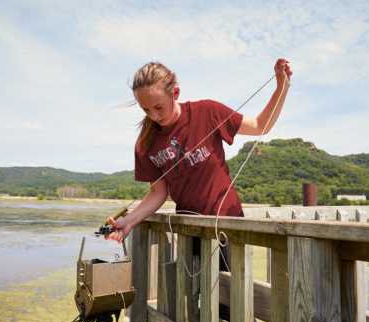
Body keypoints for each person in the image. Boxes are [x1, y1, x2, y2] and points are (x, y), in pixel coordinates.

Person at [105, 58, 292, 243]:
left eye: (159, 107)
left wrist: (281, 87)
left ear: (175, 93)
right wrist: (129, 221)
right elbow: (158, 192)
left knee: (228, 274)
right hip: (190, 229)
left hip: (228, 224)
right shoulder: (146, 143)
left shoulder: (207, 112)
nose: (154, 115)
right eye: (146, 110)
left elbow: (260, 126)